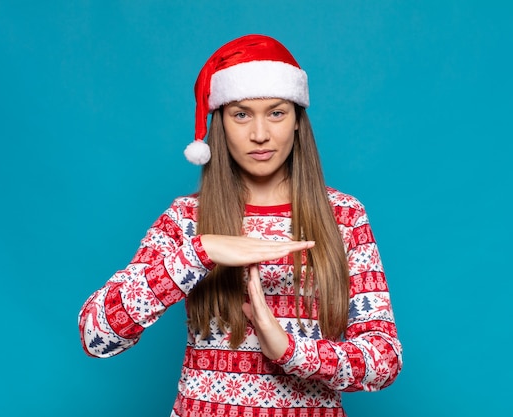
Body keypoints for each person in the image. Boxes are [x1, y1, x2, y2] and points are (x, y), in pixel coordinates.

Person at [78, 34, 402, 417]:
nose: (260, 134)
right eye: (241, 114)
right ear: (221, 125)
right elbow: (97, 334)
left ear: (298, 120)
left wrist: (289, 350)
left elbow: (383, 359)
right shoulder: (187, 220)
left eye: (277, 112)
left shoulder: (344, 216)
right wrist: (198, 254)